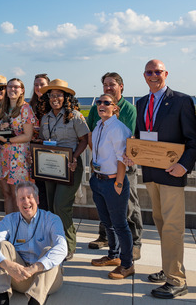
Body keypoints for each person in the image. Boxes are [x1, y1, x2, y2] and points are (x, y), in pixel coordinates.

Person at [129, 59, 196, 299]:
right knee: (160, 224)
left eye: (157, 71)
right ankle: (169, 268)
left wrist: (183, 165)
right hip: (151, 173)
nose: (153, 75)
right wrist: (132, 154)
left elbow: (194, 140)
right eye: (149, 72)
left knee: (172, 227)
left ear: (166, 74)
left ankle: (177, 280)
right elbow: (140, 136)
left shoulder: (181, 101)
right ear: (144, 75)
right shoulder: (141, 103)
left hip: (172, 173)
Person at [86, 72, 143, 261]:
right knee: (108, 218)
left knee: (128, 208)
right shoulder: (99, 118)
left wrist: (119, 180)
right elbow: (92, 134)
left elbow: (125, 143)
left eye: (112, 84)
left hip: (122, 169)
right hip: (101, 174)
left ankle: (133, 246)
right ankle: (112, 249)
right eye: (105, 85)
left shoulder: (127, 111)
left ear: (121, 86)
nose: (102, 105)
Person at [0, 181, 67, 305]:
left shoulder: (52, 219)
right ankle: (3, 300)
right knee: (2, 246)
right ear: (17, 202)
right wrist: (8, 266)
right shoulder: (9, 220)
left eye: (30, 197)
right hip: (19, 276)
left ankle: (34, 302)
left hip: (47, 279)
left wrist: (34, 268)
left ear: (37, 199)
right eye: (22, 198)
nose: (26, 202)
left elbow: (62, 248)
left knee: (49, 250)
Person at [37, 79, 89, 260]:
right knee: (52, 206)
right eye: (52, 96)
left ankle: (69, 245)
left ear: (65, 97)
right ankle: (57, 242)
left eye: (59, 95)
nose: (55, 98)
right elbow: (44, 141)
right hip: (50, 166)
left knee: (61, 205)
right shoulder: (45, 118)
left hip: (70, 166)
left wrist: (74, 157)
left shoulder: (75, 116)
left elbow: (84, 140)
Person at [89, 94, 134, 279]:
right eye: (99, 102)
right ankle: (113, 256)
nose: (101, 105)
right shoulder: (99, 125)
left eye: (106, 103)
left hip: (113, 182)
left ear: (115, 108)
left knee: (120, 224)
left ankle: (127, 264)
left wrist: (119, 182)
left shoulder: (118, 129)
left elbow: (121, 158)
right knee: (107, 222)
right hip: (98, 180)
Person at [0, 78, 35, 214]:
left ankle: (21, 228)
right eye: (10, 86)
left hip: (18, 158)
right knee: (7, 194)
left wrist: (8, 141)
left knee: (18, 195)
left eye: (16, 87)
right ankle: (9, 226)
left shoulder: (25, 109)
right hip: (2, 156)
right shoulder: (3, 109)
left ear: (22, 90)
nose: (12, 89)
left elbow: (27, 136)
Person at [29, 73, 50, 211]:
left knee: (48, 191)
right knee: (38, 190)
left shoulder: (52, 105)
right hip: (33, 152)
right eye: (36, 84)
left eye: (42, 84)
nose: (38, 87)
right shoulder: (30, 106)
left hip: (49, 152)